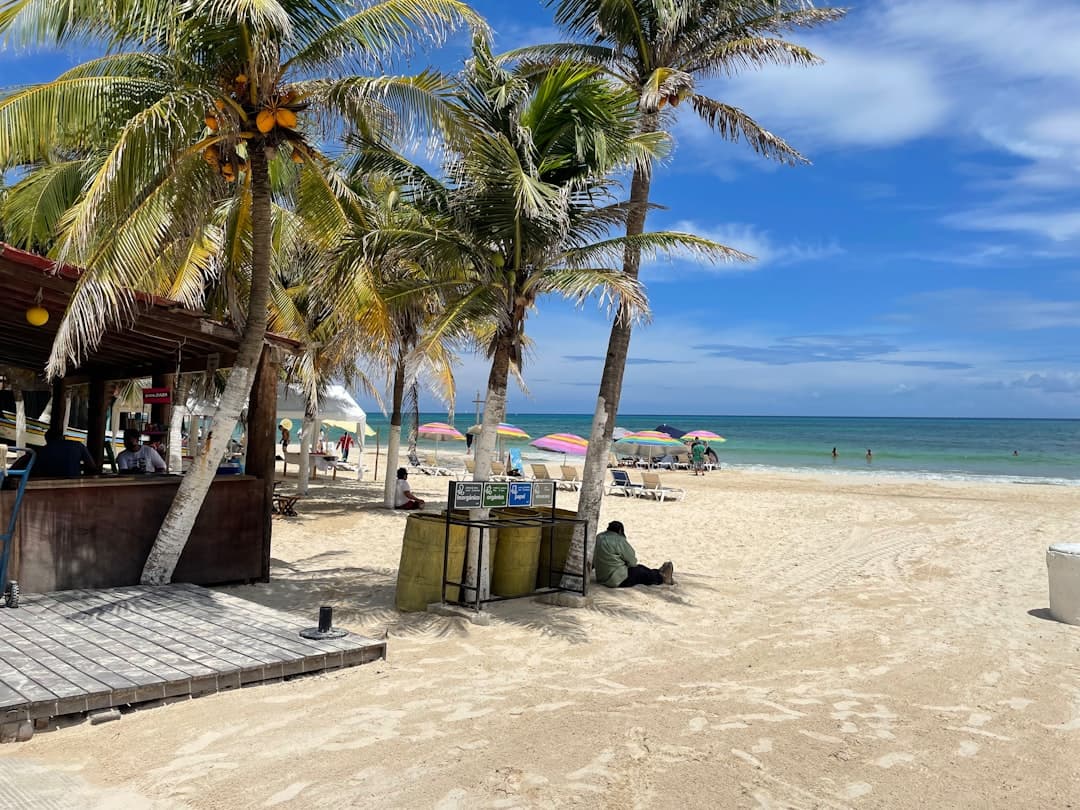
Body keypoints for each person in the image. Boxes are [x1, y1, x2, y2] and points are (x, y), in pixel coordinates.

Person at [593, 521, 674, 588]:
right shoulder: (618, 540)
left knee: (640, 569)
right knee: (640, 570)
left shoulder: (598, 537)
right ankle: (662, 578)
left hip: (601, 578)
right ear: (620, 530)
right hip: (617, 580)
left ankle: (658, 572)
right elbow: (632, 562)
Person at [9, 425, 98, 478]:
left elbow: (17, 465)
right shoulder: (78, 445)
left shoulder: (40, 451)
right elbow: (92, 466)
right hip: (73, 483)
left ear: (46, 440)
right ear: (63, 437)